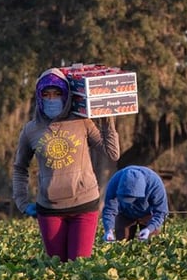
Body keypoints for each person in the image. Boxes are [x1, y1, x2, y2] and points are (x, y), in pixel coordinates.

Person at [12, 68, 120, 262]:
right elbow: (20, 168)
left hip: (84, 203)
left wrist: (108, 120)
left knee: (79, 266)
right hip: (49, 209)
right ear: (39, 97)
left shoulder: (81, 121)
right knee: (56, 268)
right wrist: (22, 202)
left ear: (66, 95)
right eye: (46, 94)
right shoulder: (31, 130)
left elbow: (112, 153)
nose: (52, 99)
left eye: (57, 93)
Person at [101, 165, 169, 242]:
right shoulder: (115, 181)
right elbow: (109, 209)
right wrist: (108, 230)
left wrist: (150, 229)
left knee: (151, 243)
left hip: (149, 214)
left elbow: (161, 212)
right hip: (124, 213)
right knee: (121, 242)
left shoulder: (155, 184)